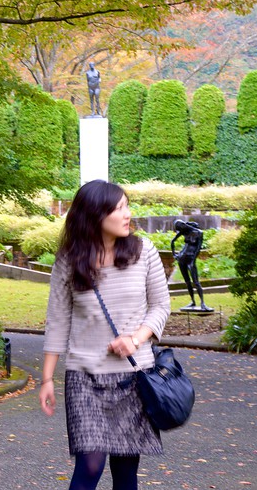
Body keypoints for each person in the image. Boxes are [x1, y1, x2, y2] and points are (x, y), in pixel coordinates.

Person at [39, 180, 170, 490]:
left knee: (126, 471)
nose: (128, 214)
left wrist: (135, 339)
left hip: (133, 377)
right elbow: (57, 321)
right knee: (90, 464)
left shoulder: (144, 251)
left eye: (127, 206)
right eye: (119, 208)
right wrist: (46, 379)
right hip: (85, 378)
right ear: (95, 215)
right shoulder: (69, 262)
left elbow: (161, 306)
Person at [170, 220, 210, 311]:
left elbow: (198, 249)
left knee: (196, 282)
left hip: (191, 259)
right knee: (187, 282)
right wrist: (174, 254)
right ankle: (193, 301)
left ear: (183, 225)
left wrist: (193, 260)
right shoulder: (184, 231)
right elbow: (172, 241)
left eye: (180, 229)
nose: (179, 231)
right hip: (182, 258)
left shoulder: (199, 233)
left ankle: (202, 303)